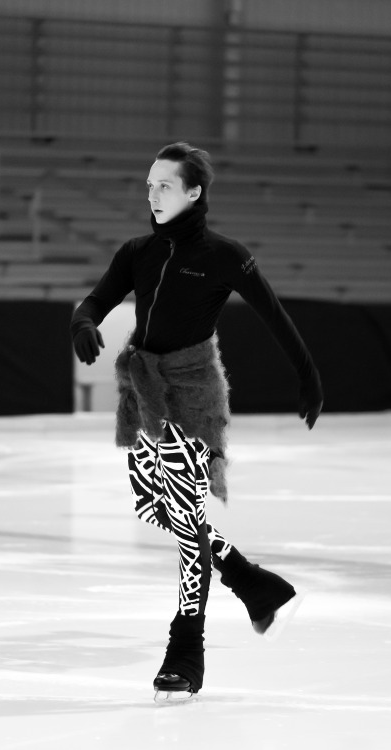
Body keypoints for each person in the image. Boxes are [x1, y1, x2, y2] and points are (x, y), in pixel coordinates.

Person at [71, 142, 323, 703]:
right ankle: (253, 582)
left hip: (193, 395)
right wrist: (82, 324)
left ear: (193, 192)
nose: (153, 193)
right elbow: (96, 300)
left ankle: (186, 653)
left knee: (187, 523)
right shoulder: (137, 250)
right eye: (149, 184)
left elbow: (275, 315)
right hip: (144, 391)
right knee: (149, 506)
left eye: (164, 185)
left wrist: (308, 376)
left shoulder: (223, 255)